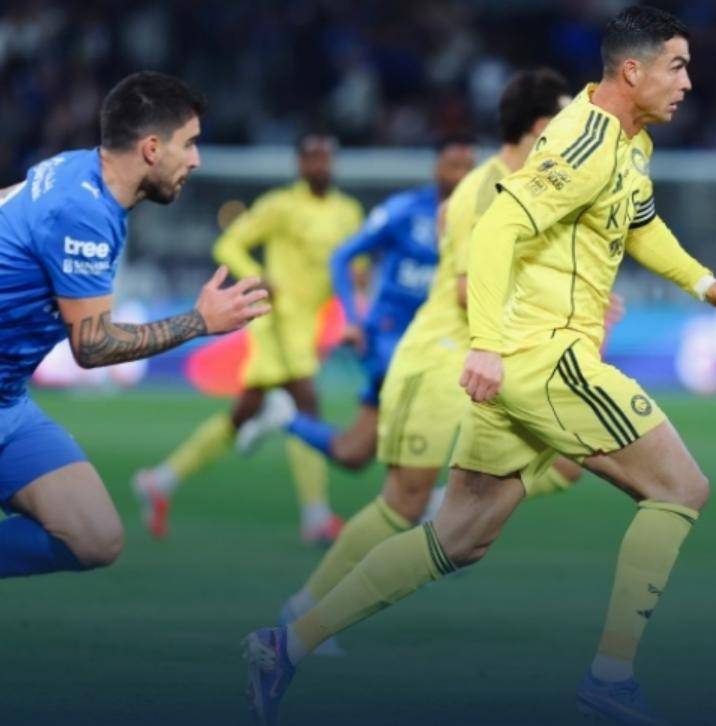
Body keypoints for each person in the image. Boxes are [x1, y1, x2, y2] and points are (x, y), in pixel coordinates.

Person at [244, 7, 716, 724]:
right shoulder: (585, 142)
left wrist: (703, 284)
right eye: (678, 66)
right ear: (633, 70)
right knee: (680, 489)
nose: (689, 83)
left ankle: (286, 645)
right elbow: (497, 231)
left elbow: (640, 224)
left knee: (455, 540)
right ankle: (611, 677)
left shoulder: (630, 144)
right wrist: (484, 342)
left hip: (524, 367)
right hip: (547, 357)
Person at [274, 69, 595, 653]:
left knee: (572, 459)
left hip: (487, 359)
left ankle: (451, 505)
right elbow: (469, 292)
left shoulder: (524, 186)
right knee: (402, 500)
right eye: (567, 117)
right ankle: (307, 610)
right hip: (443, 359)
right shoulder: (485, 189)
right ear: (541, 125)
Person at [0, 71, 268, 578]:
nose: (196, 160)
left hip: (7, 398)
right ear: (151, 148)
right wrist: (199, 321)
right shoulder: (83, 210)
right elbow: (92, 346)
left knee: (92, 536)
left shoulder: (76, 171)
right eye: (189, 144)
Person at [133, 134, 363, 545]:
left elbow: (354, 267)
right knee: (306, 406)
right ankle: (315, 515)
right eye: (311, 158)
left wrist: (355, 300)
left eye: (325, 158)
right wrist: (258, 279)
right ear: (300, 165)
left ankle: (161, 481)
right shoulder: (280, 206)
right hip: (276, 323)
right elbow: (229, 244)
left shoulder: (348, 212)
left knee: (244, 414)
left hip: (309, 325)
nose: (319, 165)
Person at [234, 137, 477, 472]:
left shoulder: (477, 216)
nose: (461, 174)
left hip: (435, 336)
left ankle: (285, 418)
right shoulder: (404, 210)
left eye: (468, 167)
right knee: (434, 397)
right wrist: (352, 318)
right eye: (453, 166)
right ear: (437, 168)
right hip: (390, 337)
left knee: (353, 454)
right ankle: (429, 494)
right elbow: (342, 256)